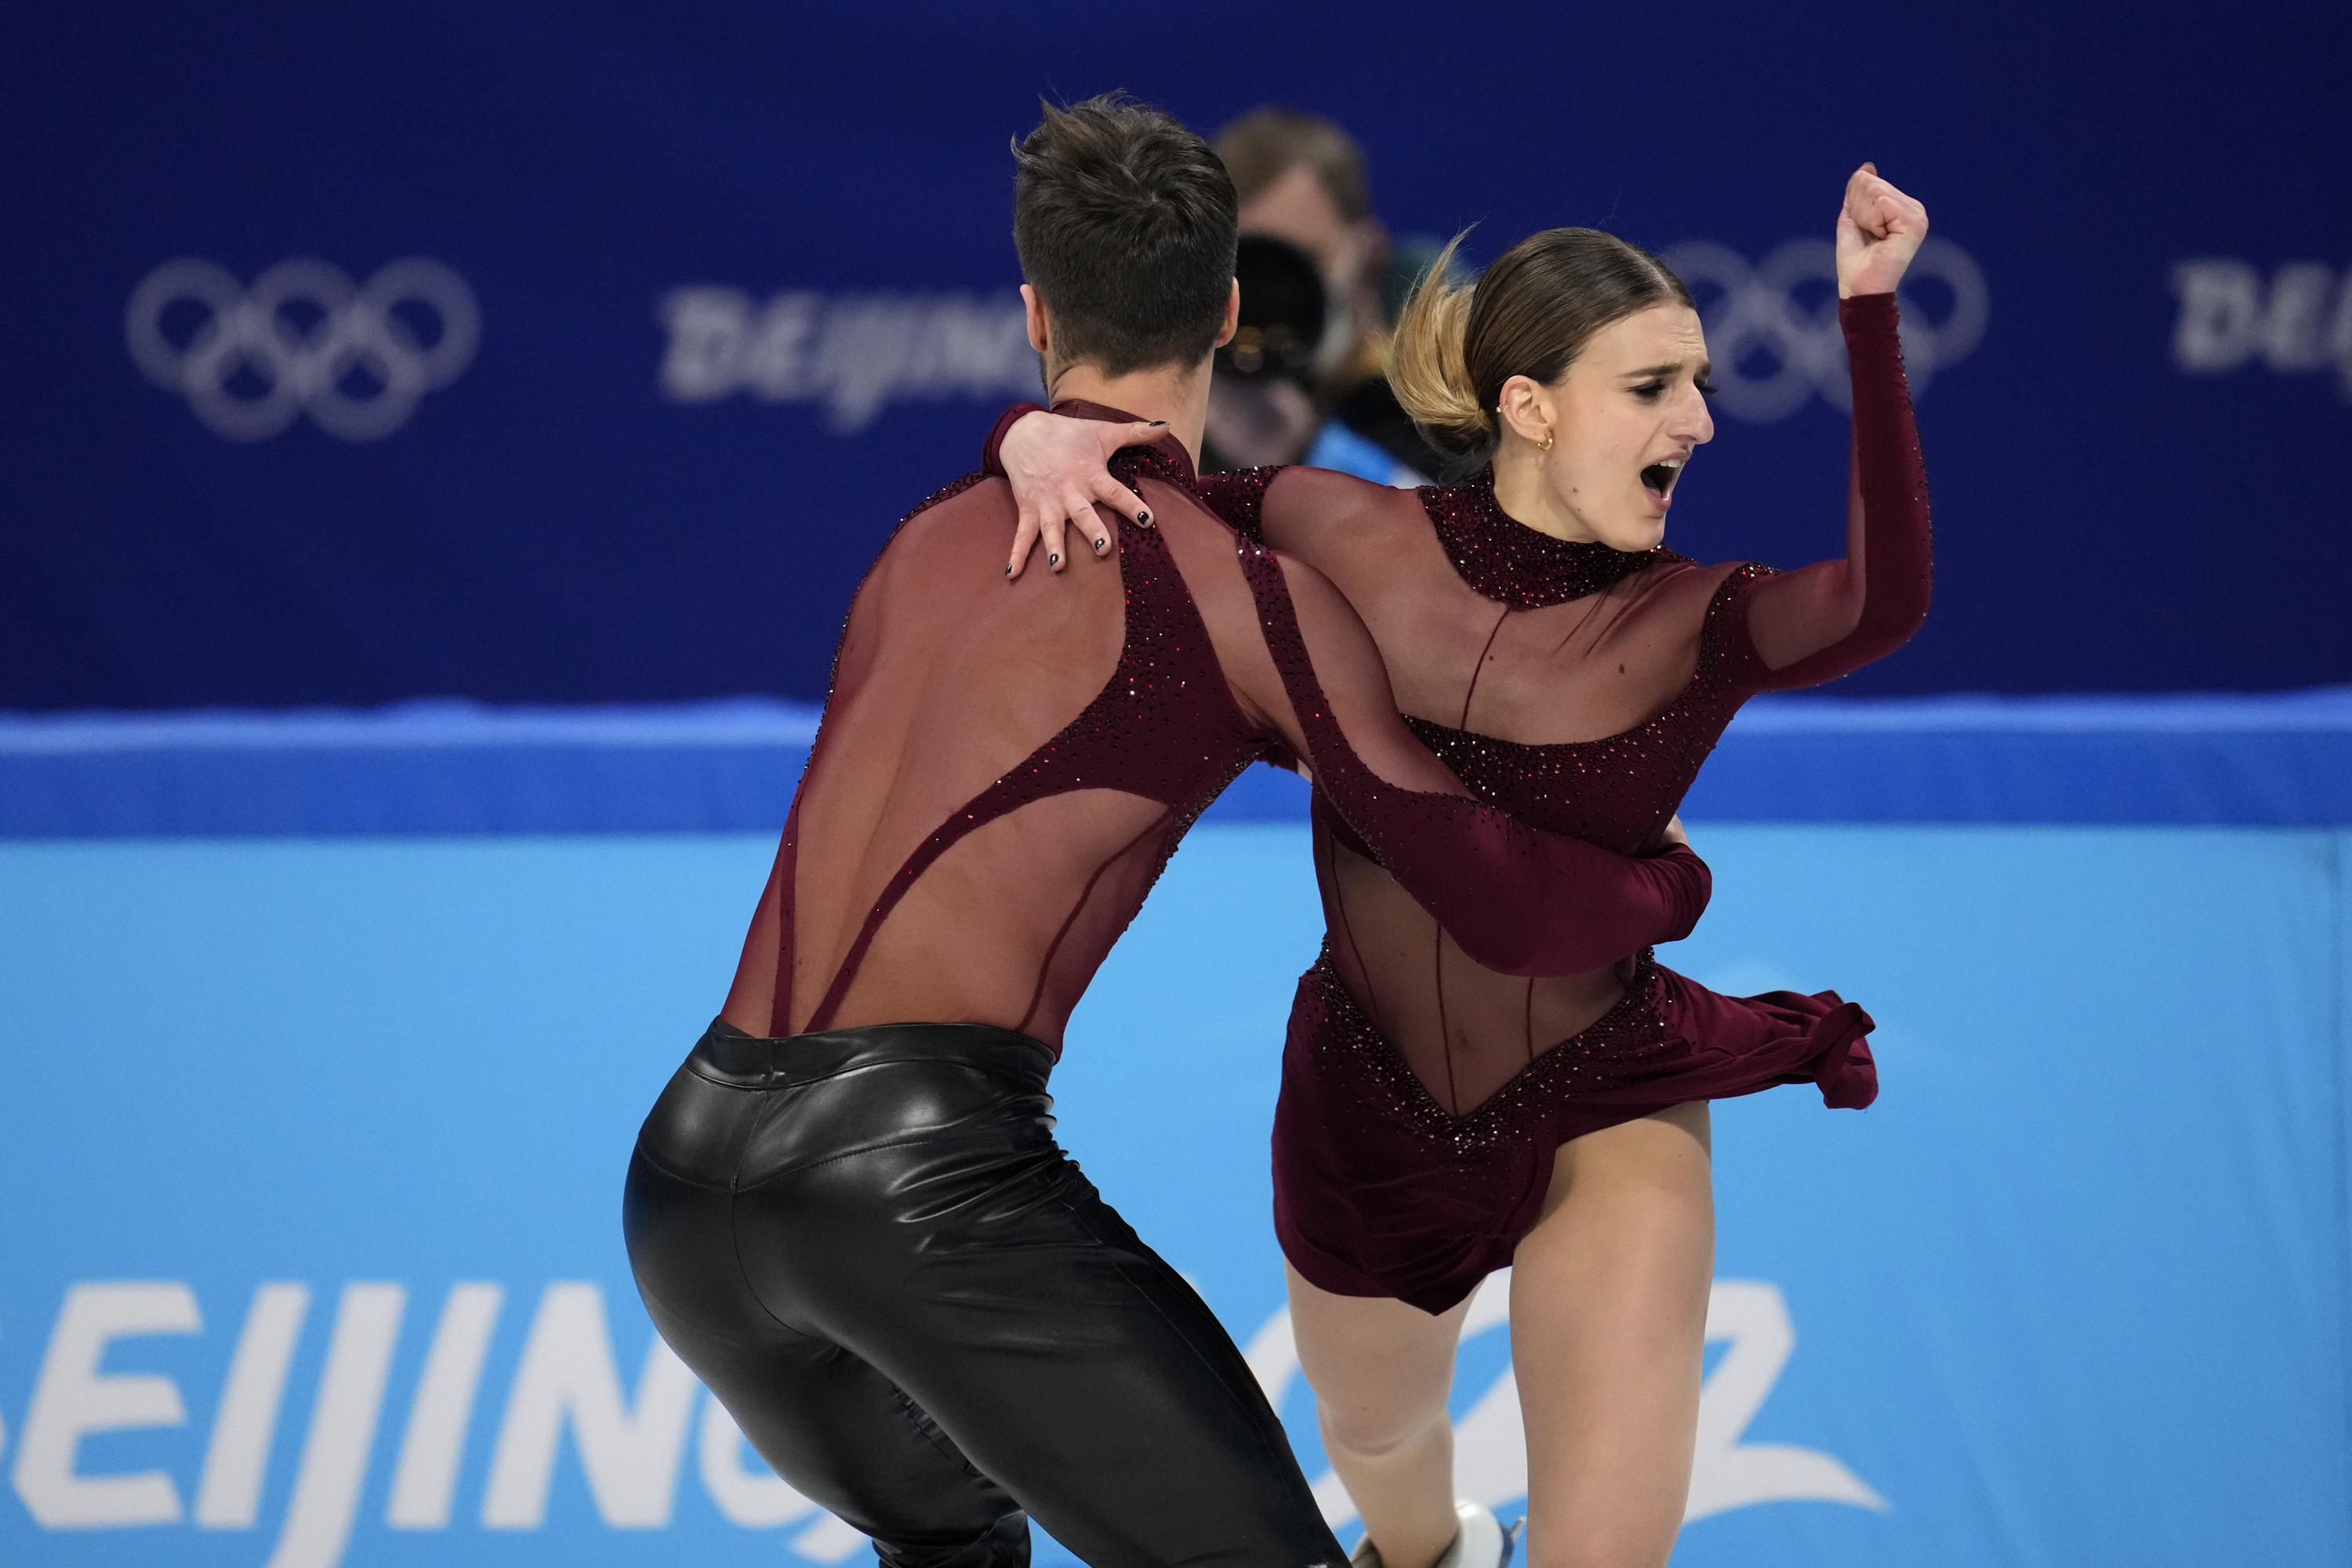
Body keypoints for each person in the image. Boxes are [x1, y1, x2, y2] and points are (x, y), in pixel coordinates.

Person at [621, 94, 1716, 1568]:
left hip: (687, 1183)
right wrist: (1664, 885)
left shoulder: (924, 538)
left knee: (951, 1542)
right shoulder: (1230, 595)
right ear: (1228, 307)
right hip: (916, 1191)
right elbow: (1500, 903)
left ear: (1031, 313)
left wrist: (1025, 434)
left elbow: (1058, 498)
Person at [986, 164, 1933, 1568]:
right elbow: (1130, 484)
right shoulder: (1332, 528)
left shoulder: (1696, 621)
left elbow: (1879, 600)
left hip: (1603, 1094)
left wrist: (1867, 315)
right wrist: (1029, 439)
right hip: (1369, 1101)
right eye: (1655, 386)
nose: (1702, 420)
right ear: (1531, 406)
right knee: (1381, 1460)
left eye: (1702, 383)